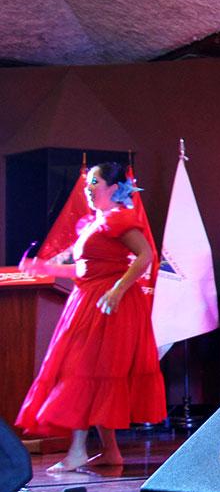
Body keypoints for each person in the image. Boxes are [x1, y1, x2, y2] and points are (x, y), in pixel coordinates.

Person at [16, 162, 166, 472]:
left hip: (109, 306)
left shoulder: (120, 219)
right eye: (88, 181)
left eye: (95, 181)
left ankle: (77, 450)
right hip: (88, 301)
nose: (89, 186)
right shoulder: (95, 223)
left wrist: (117, 290)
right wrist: (45, 269)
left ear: (113, 188)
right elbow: (83, 269)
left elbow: (146, 256)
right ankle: (110, 452)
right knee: (95, 375)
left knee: (83, 371)